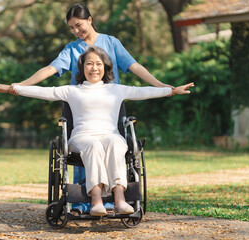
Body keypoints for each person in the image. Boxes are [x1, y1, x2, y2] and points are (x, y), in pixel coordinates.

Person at [0, 46, 194, 216]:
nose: (94, 68)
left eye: (98, 64)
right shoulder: (71, 90)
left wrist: (171, 90)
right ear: (82, 67)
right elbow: (42, 92)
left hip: (111, 135)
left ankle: (120, 200)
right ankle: (96, 201)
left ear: (105, 67)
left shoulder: (116, 89)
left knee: (116, 143)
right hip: (82, 138)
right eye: (89, 64)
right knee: (94, 145)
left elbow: (145, 91)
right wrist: (12, 88)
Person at [9, 3, 172, 214]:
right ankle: (82, 203)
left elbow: (135, 66)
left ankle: (115, 200)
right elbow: (50, 70)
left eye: (78, 25)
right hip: (81, 107)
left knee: (116, 145)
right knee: (88, 148)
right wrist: (21, 86)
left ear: (90, 19)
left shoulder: (111, 43)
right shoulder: (71, 49)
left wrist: (164, 87)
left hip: (110, 105)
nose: (76, 31)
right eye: (71, 28)